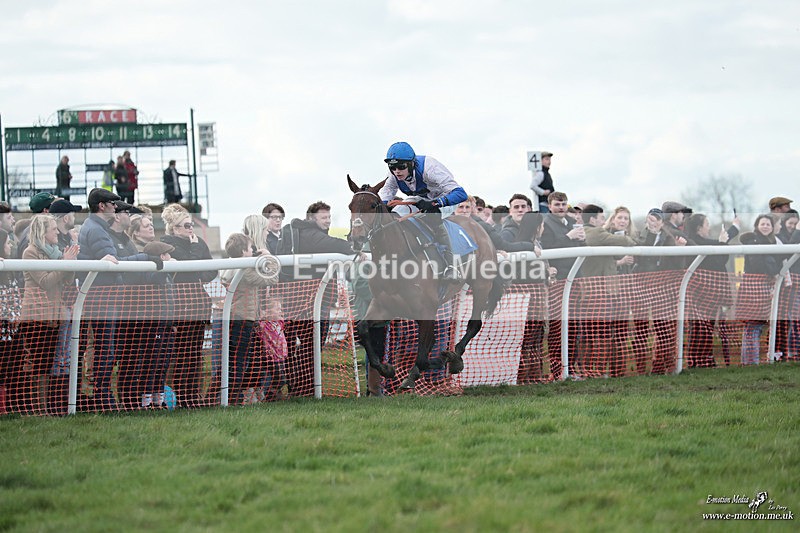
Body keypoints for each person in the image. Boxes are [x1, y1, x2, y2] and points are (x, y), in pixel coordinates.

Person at [78, 188, 152, 410]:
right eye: (113, 203)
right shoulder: (97, 230)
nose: (116, 207)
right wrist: (146, 257)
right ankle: (103, 397)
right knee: (105, 349)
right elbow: (115, 263)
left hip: (102, 296)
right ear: (103, 206)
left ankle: (104, 396)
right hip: (103, 297)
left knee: (106, 348)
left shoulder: (95, 227)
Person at [377, 141, 468, 281]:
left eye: (401, 167)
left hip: (444, 198)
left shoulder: (430, 169)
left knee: (432, 215)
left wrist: (435, 203)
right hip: (421, 198)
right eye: (392, 167)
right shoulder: (393, 175)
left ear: (412, 164)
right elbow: (386, 194)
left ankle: (451, 266)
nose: (396, 171)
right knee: (395, 213)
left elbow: (461, 194)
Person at [20, 214, 79, 415]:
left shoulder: (54, 252)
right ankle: (37, 409)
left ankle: (47, 408)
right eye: (53, 229)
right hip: (36, 315)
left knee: (48, 363)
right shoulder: (30, 253)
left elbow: (67, 281)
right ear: (43, 232)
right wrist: (64, 262)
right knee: (38, 364)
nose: (57, 232)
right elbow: (45, 281)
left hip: (53, 315)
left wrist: (70, 262)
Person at [160, 204, 217, 407]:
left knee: (195, 354)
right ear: (174, 228)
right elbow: (187, 266)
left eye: (191, 225)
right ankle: (178, 397)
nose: (190, 229)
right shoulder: (167, 243)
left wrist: (198, 268)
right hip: (180, 305)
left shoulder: (198, 242)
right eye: (186, 226)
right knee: (180, 355)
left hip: (198, 304)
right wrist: (195, 252)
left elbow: (211, 271)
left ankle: (193, 396)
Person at [221, 233, 279, 404]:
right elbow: (272, 279)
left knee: (239, 358)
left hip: (240, 317)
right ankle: (234, 396)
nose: (253, 251)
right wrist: (268, 257)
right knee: (239, 360)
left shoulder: (235, 266)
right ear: (243, 252)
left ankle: (235, 395)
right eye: (250, 248)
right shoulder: (245, 270)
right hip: (242, 318)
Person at [683, 213, 738, 368]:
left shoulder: (700, 241)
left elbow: (719, 243)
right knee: (701, 328)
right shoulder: (697, 243)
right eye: (707, 224)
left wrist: (734, 228)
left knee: (705, 327)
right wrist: (722, 243)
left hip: (708, 293)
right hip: (702, 292)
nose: (709, 227)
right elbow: (719, 260)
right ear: (699, 228)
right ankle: (700, 361)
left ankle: (704, 360)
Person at [739, 215, 782, 365]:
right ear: (757, 225)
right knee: (753, 325)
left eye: (768, 224)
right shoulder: (753, 242)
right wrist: (772, 270)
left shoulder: (771, 243)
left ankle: (750, 362)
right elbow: (758, 265)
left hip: (763, 288)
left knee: (755, 326)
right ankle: (751, 362)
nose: (765, 226)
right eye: (762, 223)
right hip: (754, 289)